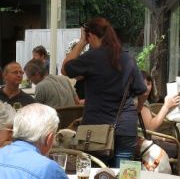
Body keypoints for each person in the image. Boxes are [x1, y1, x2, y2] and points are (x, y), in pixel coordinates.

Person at [62, 17, 147, 166]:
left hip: (96, 127)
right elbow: (143, 92)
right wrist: (138, 109)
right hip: (126, 126)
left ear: (91, 36)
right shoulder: (127, 58)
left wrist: (81, 42)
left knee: (97, 173)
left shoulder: (91, 57)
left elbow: (65, 69)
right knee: (124, 175)